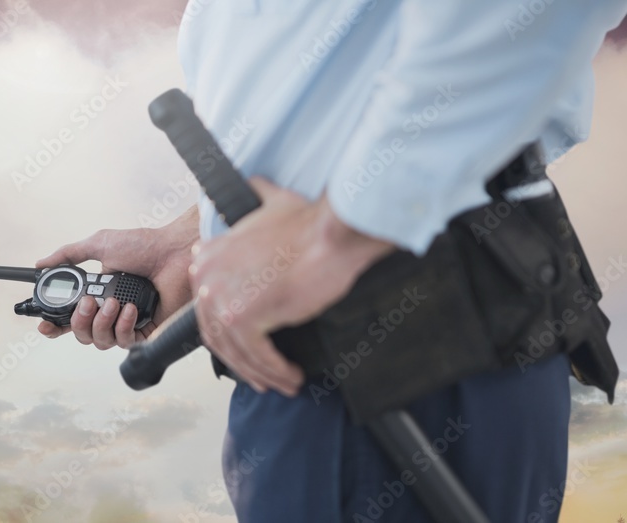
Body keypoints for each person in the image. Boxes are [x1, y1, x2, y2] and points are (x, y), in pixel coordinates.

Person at [36, 1, 627, 521]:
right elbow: (322, 90)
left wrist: (337, 235)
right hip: (316, 356)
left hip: (403, 345)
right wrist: (197, 238)